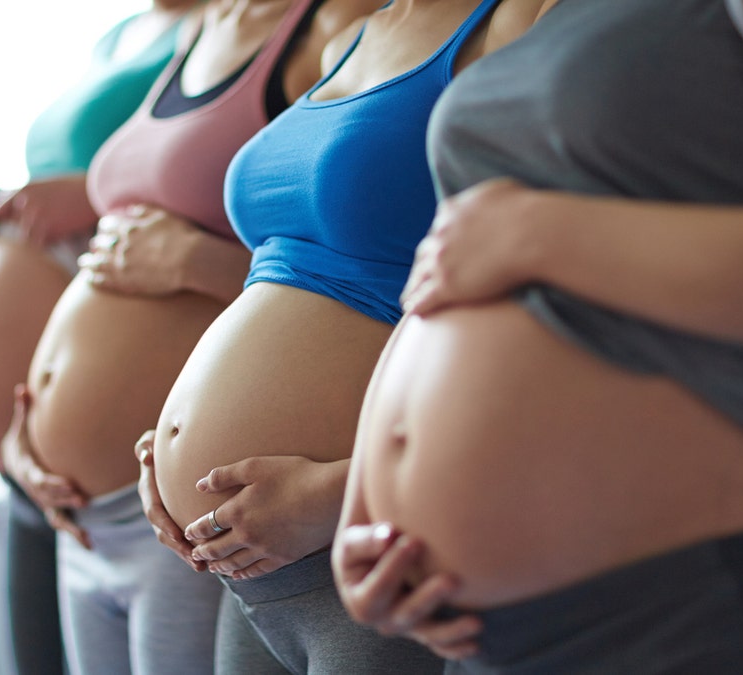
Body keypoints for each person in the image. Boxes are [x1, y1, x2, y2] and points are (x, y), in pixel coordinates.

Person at [332, 0, 743, 672]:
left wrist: (533, 232)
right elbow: (448, 270)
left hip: (717, 604)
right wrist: (362, 512)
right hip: (484, 629)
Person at [132, 0, 550, 671]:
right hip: (245, 572)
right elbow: (279, 287)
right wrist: (175, 439)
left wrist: (344, 492)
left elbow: (549, 325)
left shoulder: (523, 21)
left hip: (367, 546)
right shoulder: (348, 41)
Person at [0, 0, 385, 672]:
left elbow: (322, 270)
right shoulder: (203, 33)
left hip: (211, 513)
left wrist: (187, 260)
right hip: (94, 506)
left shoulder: (333, 33)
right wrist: (29, 428)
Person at [0, 4, 195, 673]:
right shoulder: (116, 36)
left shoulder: (224, 29)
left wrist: (90, 195)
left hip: (116, 469)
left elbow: (191, 183)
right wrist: (6, 208)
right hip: (25, 454)